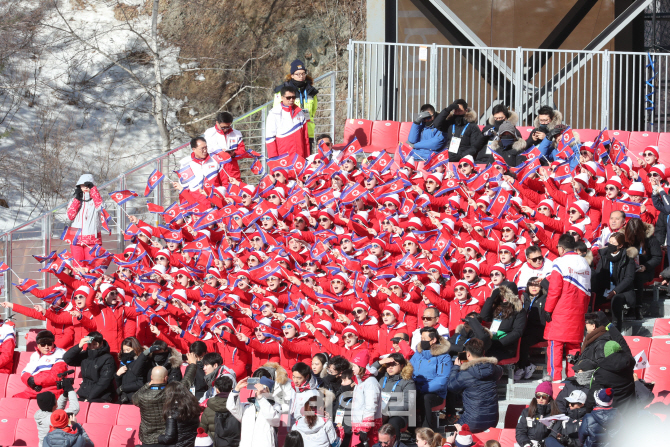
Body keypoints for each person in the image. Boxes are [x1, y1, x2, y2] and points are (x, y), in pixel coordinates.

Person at [544, 234, 591, 381]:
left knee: (555, 346)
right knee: (574, 347)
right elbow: (588, 292)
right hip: (579, 311)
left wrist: (548, 309)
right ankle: (573, 380)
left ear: (562, 248)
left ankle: (554, 380)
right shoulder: (584, 263)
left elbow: (554, 289)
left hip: (560, 311)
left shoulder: (560, 262)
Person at [133, 353, 198, 445]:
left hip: (148, 439)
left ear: (151, 377)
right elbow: (186, 382)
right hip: (166, 437)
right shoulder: (171, 393)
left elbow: (134, 399)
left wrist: (147, 384)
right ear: (166, 378)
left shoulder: (142, 396)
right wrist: (193, 365)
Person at [447, 338, 502, 433]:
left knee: (453, 433)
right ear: (483, 352)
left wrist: (456, 367)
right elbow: (498, 369)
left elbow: (451, 386)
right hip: (493, 420)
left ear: (467, 354)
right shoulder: (495, 369)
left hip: (471, 421)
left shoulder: (466, 373)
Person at [593, 232, 637, 331]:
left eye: (613, 243)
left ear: (620, 246)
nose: (610, 245)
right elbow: (598, 274)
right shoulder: (604, 255)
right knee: (592, 298)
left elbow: (629, 278)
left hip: (622, 290)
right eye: (609, 242)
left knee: (616, 299)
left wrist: (615, 291)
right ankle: (594, 327)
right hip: (606, 288)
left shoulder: (627, 257)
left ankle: (616, 327)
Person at [410, 327, 451, 430]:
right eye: (421, 338)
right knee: (408, 395)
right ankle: (410, 429)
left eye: (425, 339)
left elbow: (441, 380)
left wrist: (422, 388)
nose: (422, 341)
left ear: (433, 340)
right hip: (417, 388)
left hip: (435, 393)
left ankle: (426, 430)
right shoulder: (418, 354)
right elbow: (409, 369)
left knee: (426, 398)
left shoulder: (443, 357)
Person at [227, 371, 282, 447]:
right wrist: (237, 389)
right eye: (257, 388)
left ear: (269, 391)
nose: (258, 390)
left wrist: (260, 398)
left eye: (263, 388)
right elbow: (231, 406)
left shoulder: (275, 406)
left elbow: (274, 419)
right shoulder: (247, 406)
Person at [273, 60, 319, 149]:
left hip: (307, 131)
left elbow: (313, 110)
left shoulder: (311, 91)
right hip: (289, 132)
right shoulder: (282, 91)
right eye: (298, 74)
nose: (301, 76)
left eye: (303, 73)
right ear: (292, 75)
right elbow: (276, 111)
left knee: (307, 160)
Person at [624, 217, 662, 319]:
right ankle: (628, 304)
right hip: (629, 268)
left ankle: (638, 307)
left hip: (645, 269)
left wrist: (646, 266)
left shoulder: (651, 240)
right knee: (626, 277)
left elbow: (657, 257)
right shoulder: (624, 238)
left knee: (637, 278)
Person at [62, 331, 116, 402]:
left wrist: (90, 397)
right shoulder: (85, 355)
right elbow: (67, 358)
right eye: (89, 344)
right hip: (84, 394)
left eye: (94, 344)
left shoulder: (108, 359)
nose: (92, 347)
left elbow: (104, 382)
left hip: (102, 396)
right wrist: (79, 346)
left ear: (101, 344)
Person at [479, 282, 525, 361]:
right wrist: (492, 297)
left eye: (507, 295)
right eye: (502, 294)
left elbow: (517, 332)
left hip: (505, 346)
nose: (504, 297)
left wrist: (498, 343)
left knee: (484, 358)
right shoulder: (498, 307)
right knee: (474, 354)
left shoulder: (519, 310)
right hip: (491, 341)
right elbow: (484, 316)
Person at [16, 330, 68, 399]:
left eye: (49, 344)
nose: (46, 347)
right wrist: (29, 380)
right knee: (15, 399)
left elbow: (57, 376)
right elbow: (25, 372)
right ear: (38, 345)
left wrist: (34, 381)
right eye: (43, 344)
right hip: (34, 389)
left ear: (53, 343)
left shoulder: (60, 354)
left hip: (52, 390)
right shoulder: (35, 355)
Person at [585, 340, 635, 411]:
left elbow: (593, 394)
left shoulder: (602, 371)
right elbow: (625, 346)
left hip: (612, 412)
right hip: (630, 410)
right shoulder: (629, 364)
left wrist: (588, 411)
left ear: (606, 352)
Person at [204, 112, 252, 184]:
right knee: (216, 192)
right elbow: (205, 151)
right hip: (214, 168)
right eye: (223, 127)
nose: (225, 129)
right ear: (217, 122)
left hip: (232, 168)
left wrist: (233, 153)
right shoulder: (209, 133)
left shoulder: (237, 134)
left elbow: (242, 151)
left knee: (235, 191)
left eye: (228, 127)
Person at [515, 278, 549, 380]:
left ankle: (522, 367)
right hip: (526, 328)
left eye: (537, 285)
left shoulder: (545, 298)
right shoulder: (523, 298)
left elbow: (553, 291)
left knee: (524, 341)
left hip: (540, 329)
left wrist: (544, 281)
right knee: (515, 338)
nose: (533, 287)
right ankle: (527, 365)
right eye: (531, 285)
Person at [66, 173, 103, 264]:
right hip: (75, 237)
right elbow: (70, 216)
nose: (85, 187)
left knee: (91, 266)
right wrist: (77, 200)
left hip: (92, 237)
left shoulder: (97, 200)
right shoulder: (74, 200)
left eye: (88, 185)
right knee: (77, 265)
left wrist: (94, 191)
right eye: (83, 185)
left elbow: (101, 207)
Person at [377, 352, 416, 436]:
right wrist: (379, 362)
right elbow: (367, 372)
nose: (390, 367)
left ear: (402, 366)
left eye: (394, 364)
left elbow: (409, 404)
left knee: (392, 425)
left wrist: (387, 412)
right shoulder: (381, 378)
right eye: (388, 364)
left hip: (398, 415)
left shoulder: (408, 382)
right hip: (379, 411)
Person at [156, 379, 204, 447]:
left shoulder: (172, 411)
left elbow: (169, 437)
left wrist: (158, 437)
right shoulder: (193, 407)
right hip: (192, 443)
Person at [266, 85, 310, 158]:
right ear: (282, 98)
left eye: (293, 97)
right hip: (283, 158)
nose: (291, 100)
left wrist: (307, 157)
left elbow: (305, 138)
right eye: (288, 97)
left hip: (299, 157)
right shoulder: (274, 113)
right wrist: (274, 160)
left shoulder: (300, 113)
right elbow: (270, 139)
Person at [349, 350, 382, 447]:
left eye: (355, 366)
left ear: (362, 367)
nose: (352, 369)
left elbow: (371, 407)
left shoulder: (370, 382)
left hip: (368, 430)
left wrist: (364, 429)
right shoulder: (360, 382)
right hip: (359, 428)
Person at [515, 381, 560, 447]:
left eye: (544, 396)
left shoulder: (555, 414)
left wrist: (541, 444)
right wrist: (526, 443)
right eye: (538, 396)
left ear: (549, 398)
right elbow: (520, 431)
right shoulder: (526, 412)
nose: (540, 399)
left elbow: (554, 434)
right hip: (528, 443)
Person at [200, 376, 241, 447]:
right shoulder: (238, 408)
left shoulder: (208, 410)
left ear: (217, 390)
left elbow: (202, 431)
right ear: (231, 389)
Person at [115, 336, 148, 404]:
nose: (126, 352)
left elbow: (140, 383)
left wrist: (123, 388)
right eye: (124, 350)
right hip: (124, 398)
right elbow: (119, 384)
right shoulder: (123, 361)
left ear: (135, 349)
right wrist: (117, 375)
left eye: (128, 350)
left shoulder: (141, 362)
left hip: (136, 398)